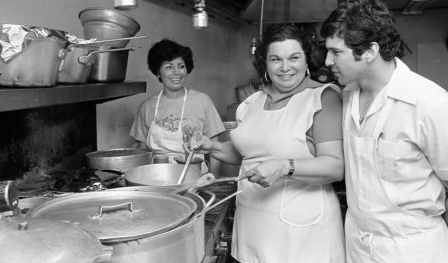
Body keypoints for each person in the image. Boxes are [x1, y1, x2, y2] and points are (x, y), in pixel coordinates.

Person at [320, 0, 448, 263]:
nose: (327, 61)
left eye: (336, 52)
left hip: (410, 251)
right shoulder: (349, 94)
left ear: (370, 51)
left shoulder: (430, 105)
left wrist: (422, 235)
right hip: (356, 243)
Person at [191, 24, 346, 263]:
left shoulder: (323, 98)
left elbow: (335, 167)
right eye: (276, 59)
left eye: (294, 58)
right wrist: (212, 147)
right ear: (265, 63)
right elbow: (248, 154)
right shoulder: (251, 102)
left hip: (301, 233)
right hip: (251, 226)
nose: (285, 67)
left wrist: (285, 166)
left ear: (307, 60)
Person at [130, 38, 225, 173]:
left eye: (181, 66)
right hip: (156, 178)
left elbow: (216, 149)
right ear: (158, 72)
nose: (177, 72)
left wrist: (212, 180)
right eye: (169, 67)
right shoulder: (147, 106)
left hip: (196, 177)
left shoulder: (202, 101)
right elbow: (140, 150)